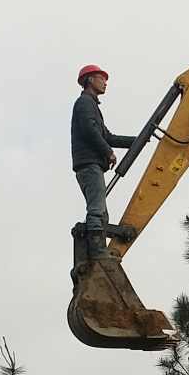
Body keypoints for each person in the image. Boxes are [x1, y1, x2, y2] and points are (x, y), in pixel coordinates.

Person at [71, 64, 136, 258]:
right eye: (101, 78)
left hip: (91, 165)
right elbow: (90, 130)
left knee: (102, 214)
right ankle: (97, 251)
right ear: (90, 79)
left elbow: (107, 136)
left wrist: (140, 139)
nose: (105, 82)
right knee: (96, 210)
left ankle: (96, 252)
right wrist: (108, 152)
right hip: (90, 164)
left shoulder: (91, 105)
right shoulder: (84, 103)